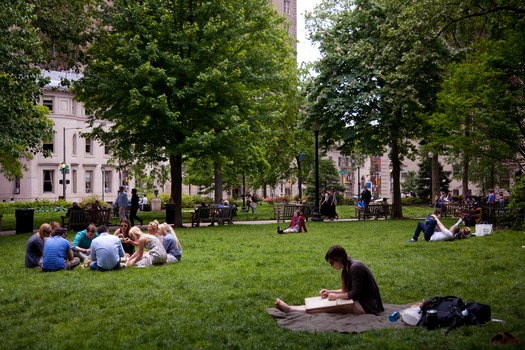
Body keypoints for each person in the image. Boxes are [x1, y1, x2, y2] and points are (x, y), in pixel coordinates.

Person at [275, 245, 384, 315]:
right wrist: (330, 292)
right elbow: (346, 291)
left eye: (332, 262)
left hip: (368, 306)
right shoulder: (347, 267)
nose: (331, 265)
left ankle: (291, 310)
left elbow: (355, 293)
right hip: (362, 301)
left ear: (339, 259)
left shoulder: (355, 268)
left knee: (329, 307)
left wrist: (336, 296)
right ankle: (292, 308)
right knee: (327, 301)